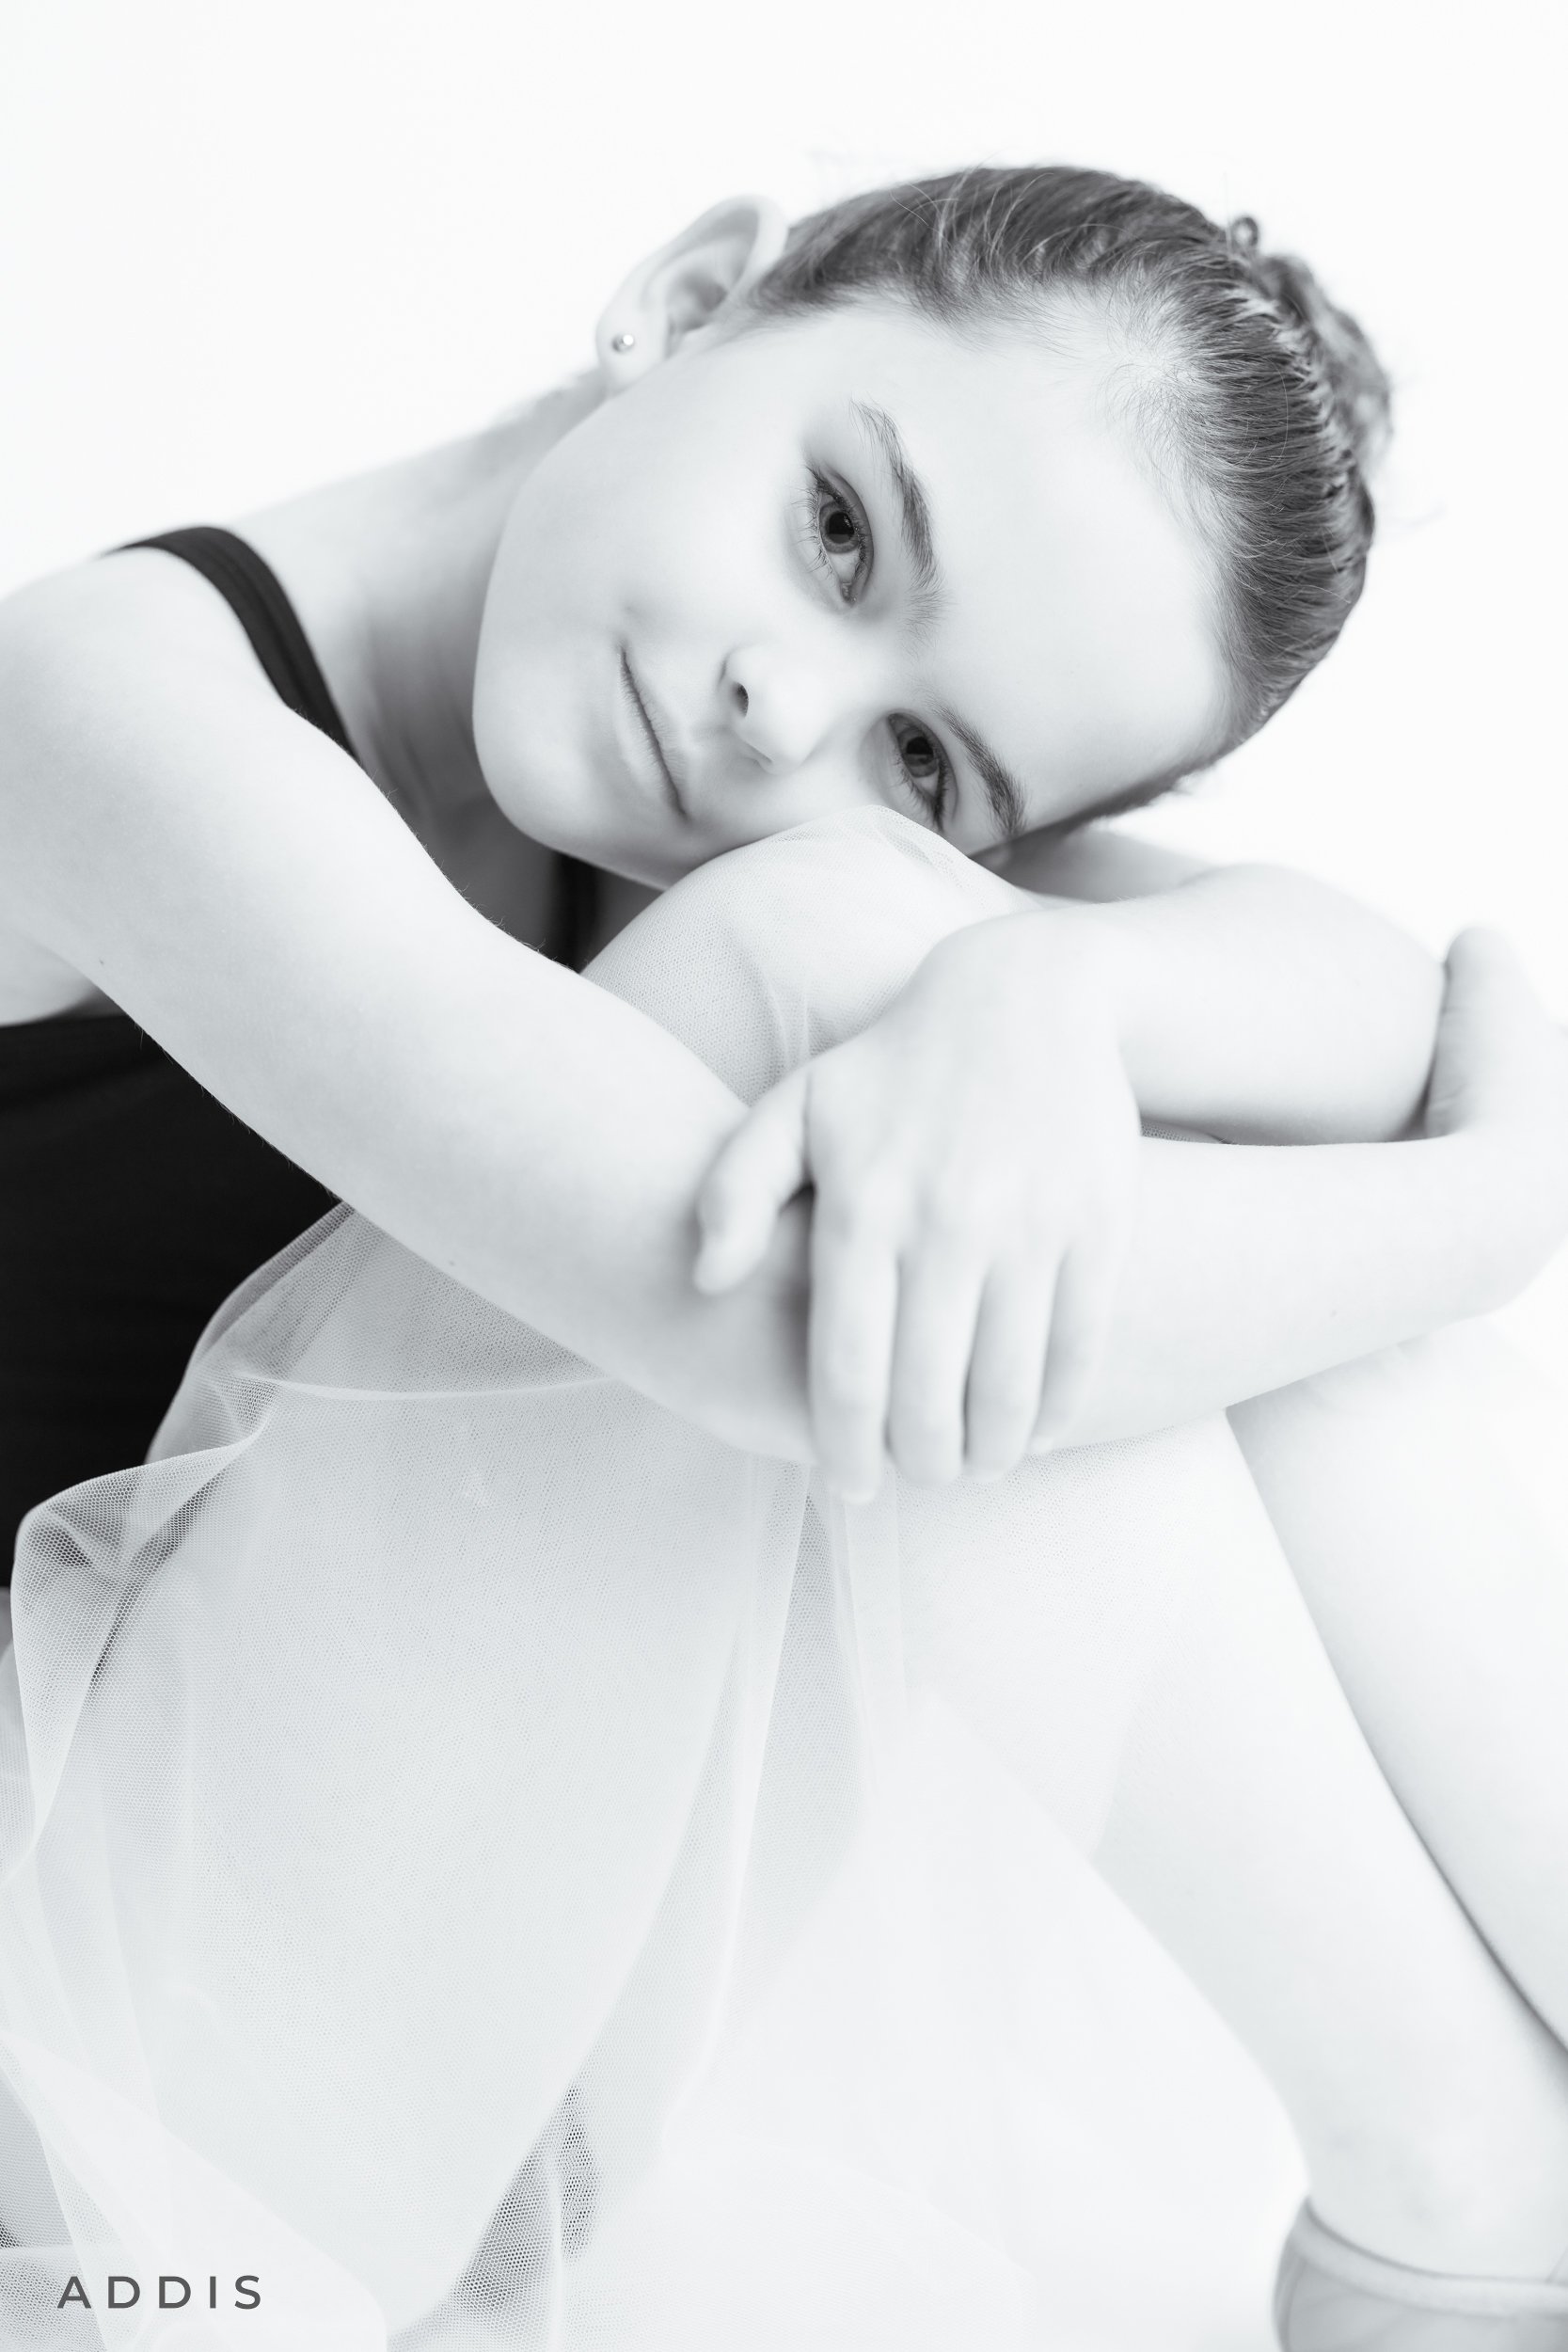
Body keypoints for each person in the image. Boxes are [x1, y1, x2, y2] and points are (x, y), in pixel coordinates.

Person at [1, 166, 1567, 2346]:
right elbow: (791, 1338)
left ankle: (1486, 2176)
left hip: (454, 2103)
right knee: (872, 1034)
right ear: (689, 296)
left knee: (1004, 1092)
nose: (777, 705)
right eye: (840, 529)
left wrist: (1062, 1002)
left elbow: (1360, 1003)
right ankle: (1466, 2179)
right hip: (84, 2175)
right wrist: (1502, 1201)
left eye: (927, 758)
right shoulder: (90, 700)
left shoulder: (715, 799)